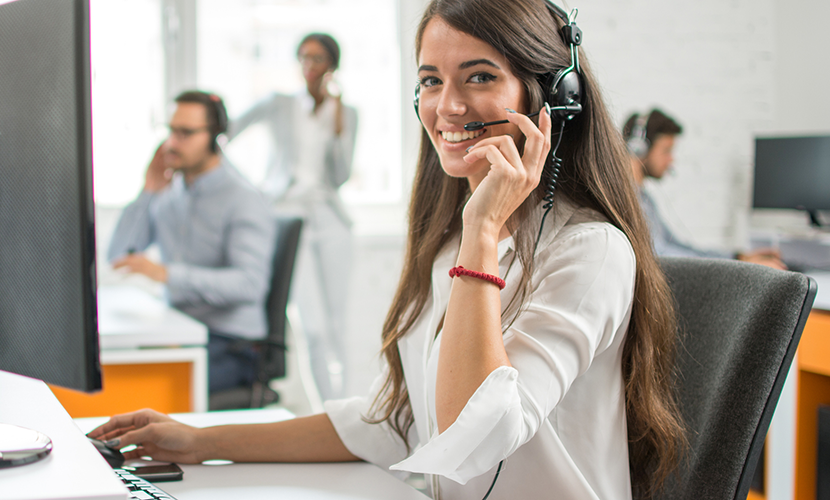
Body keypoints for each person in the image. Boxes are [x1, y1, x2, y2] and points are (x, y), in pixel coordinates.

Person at [90, 1, 686, 498]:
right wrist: (201, 441)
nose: (447, 106)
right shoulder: (450, 243)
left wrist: (482, 229)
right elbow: (398, 422)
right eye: (430, 80)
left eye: (479, 76)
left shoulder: (590, 252)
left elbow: (472, 437)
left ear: (554, 95)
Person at [107, 90, 276, 394]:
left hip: (231, 344)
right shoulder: (169, 193)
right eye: (171, 130)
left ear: (215, 137)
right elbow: (118, 256)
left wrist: (168, 274)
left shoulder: (244, 199)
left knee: (141, 390)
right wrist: (148, 191)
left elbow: (250, 284)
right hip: (179, 331)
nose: (172, 143)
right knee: (112, 373)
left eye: (185, 133)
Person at [224, 33, 358, 400]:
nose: (308, 66)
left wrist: (338, 124)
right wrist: (255, 191)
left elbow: (341, 176)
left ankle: (347, 406)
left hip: (329, 218)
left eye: (317, 58)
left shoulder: (346, 113)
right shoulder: (279, 104)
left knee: (338, 325)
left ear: (332, 66)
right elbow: (226, 133)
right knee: (312, 327)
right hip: (287, 216)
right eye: (303, 57)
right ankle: (325, 411)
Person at [623, 109, 786, 269]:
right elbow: (662, 256)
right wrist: (740, 268)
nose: (671, 160)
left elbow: (677, 247)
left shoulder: (645, 199)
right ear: (639, 148)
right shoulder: (627, 201)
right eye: (666, 151)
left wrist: (738, 258)